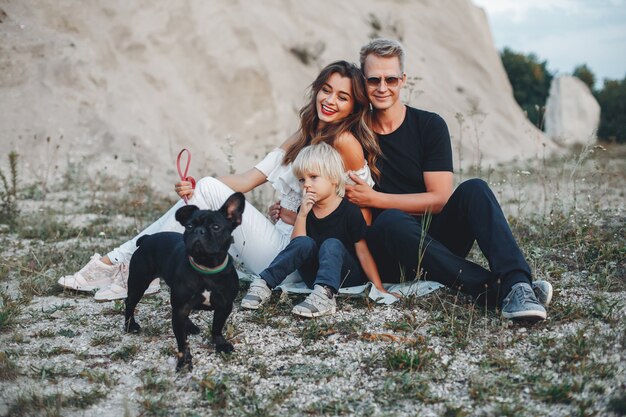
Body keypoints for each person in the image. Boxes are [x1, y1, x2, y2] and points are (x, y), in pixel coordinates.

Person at [58, 60, 384, 301]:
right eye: (326, 90)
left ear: (355, 106)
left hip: (299, 257)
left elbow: (359, 218)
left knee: (210, 191)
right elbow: (247, 179)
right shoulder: (305, 134)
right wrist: (197, 187)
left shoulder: (345, 143)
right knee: (207, 189)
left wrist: (300, 216)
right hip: (276, 238)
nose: (330, 100)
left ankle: (118, 262)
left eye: (342, 97)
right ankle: (129, 263)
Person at [345, 39, 553, 322]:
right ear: (363, 81)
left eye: (391, 79)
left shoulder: (429, 126)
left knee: (475, 189)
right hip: (390, 251)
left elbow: (440, 199)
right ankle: (493, 288)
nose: (383, 87)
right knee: (391, 221)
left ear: (403, 80)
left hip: (437, 240)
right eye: (374, 80)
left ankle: (517, 283)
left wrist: (376, 199)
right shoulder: (354, 134)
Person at [241, 143, 394, 317]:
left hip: (345, 275)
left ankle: (325, 296)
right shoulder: (305, 209)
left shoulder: (349, 211)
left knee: (332, 244)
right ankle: (264, 283)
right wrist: (302, 215)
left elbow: (363, 252)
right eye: (301, 179)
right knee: (304, 242)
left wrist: (379, 287)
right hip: (313, 276)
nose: (306, 185)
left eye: (313, 177)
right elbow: (296, 246)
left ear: (334, 178)